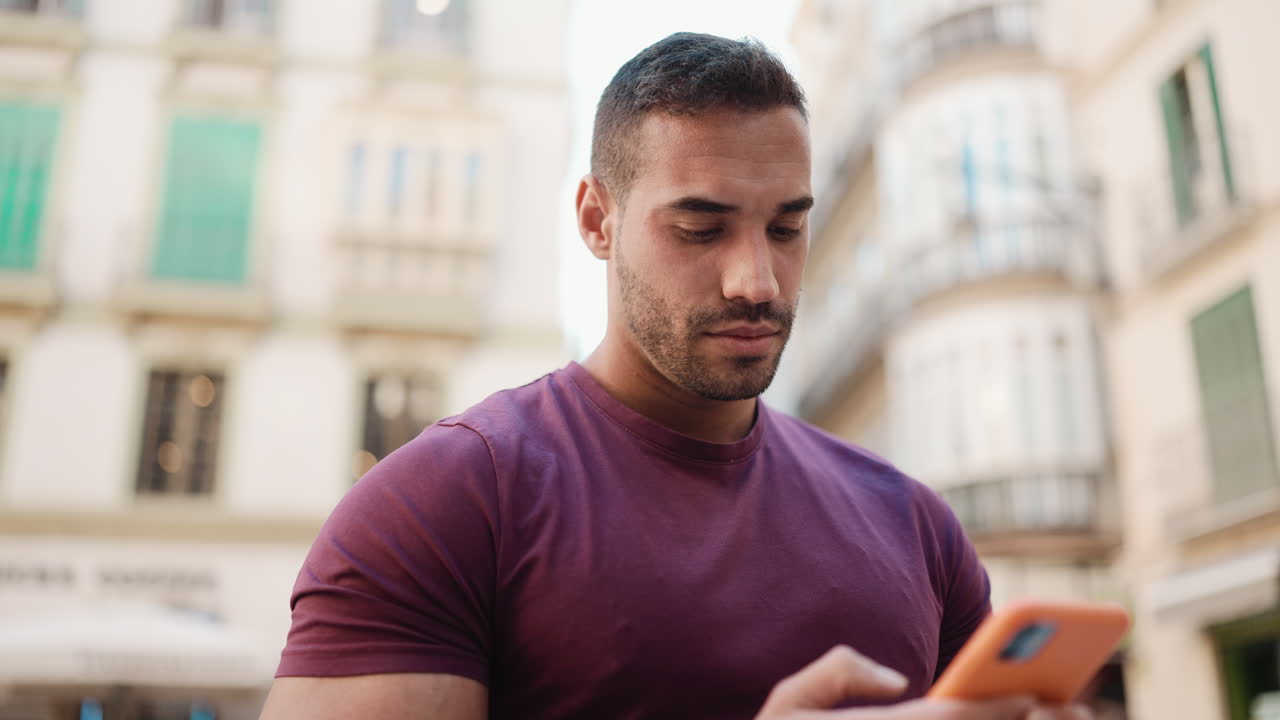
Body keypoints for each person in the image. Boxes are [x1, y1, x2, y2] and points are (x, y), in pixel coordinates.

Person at [260, 33, 1089, 720]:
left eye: (787, 228)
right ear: (596, 219)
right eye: (701, 227)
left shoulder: (915, 526)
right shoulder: (443, 503)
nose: (756, 281)